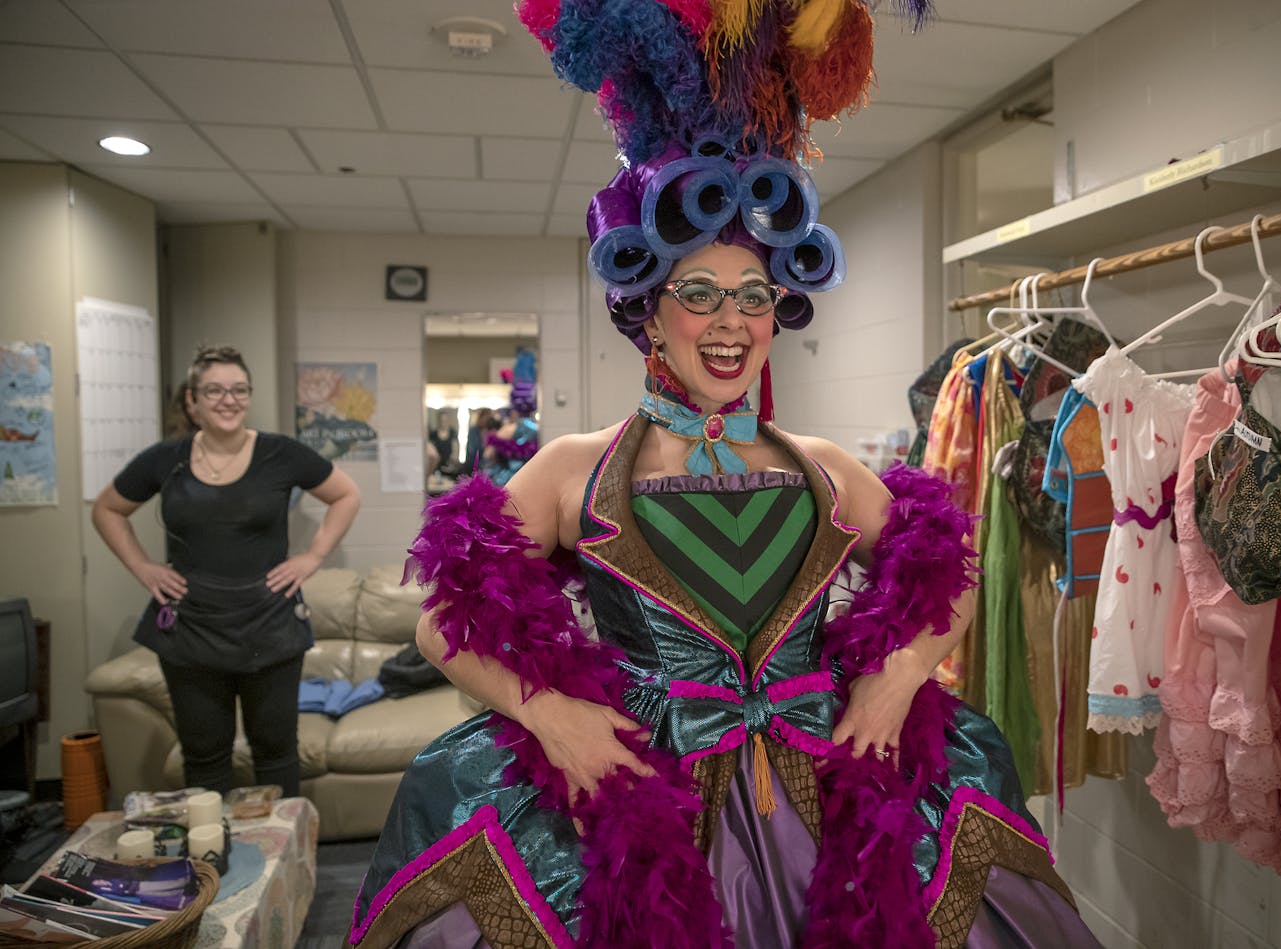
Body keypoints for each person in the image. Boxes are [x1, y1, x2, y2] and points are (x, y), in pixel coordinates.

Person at [348, 2, 1101, 946]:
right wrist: (554, 719)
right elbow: (442, 621)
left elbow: (951, 574)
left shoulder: (820, 468)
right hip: (643, 814)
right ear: (649, 314)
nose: (731, 322)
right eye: (699, 295)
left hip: (830, 804)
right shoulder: (571, 470)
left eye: (753, 297)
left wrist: (899, 676)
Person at [92, 345, 360, 797]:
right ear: (192, 401)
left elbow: (346, 494)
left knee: (275, 751)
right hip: (191, 629)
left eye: (238, 390)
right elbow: (107, 509)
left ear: (249, 397)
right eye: (214, 391)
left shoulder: (280, 453)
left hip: (270, 625)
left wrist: (312, 556)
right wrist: (142, 567)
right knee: (204, 754)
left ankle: (284, 857)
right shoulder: (165, 459)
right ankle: (212, 863)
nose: (228, 400)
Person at [483, 350, 540, 486]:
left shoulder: (506, 431)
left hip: (507, 484)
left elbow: (487, 456)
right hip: (531, 484)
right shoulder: (538, 431)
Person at [428, 408, 460, 478]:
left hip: (450, 468)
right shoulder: (433, 434)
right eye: (441, 421)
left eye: (445, 421)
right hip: (436, 468)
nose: (443, 423)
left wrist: (453, 463)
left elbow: (455, 450)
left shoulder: (452, 433)